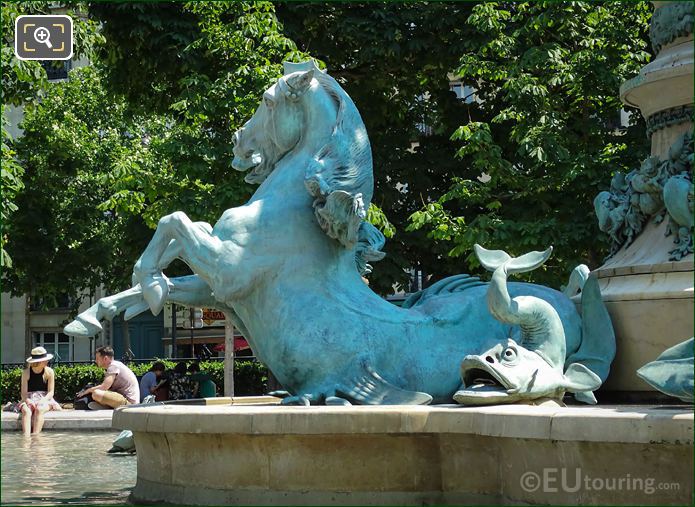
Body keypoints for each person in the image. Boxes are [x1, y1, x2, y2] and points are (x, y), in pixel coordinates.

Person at [19, 346, 62, 435]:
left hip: (45, 398)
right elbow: (23, 393)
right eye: (45, 359)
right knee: (26, 411)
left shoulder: (49, 372)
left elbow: (51, 392)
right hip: (29, 397)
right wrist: (28, 401)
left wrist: (43, 400)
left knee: (39, 409)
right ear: (39, 361)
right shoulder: (26, 373)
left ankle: (35, 436)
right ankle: (26, 438)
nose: (47, 361)